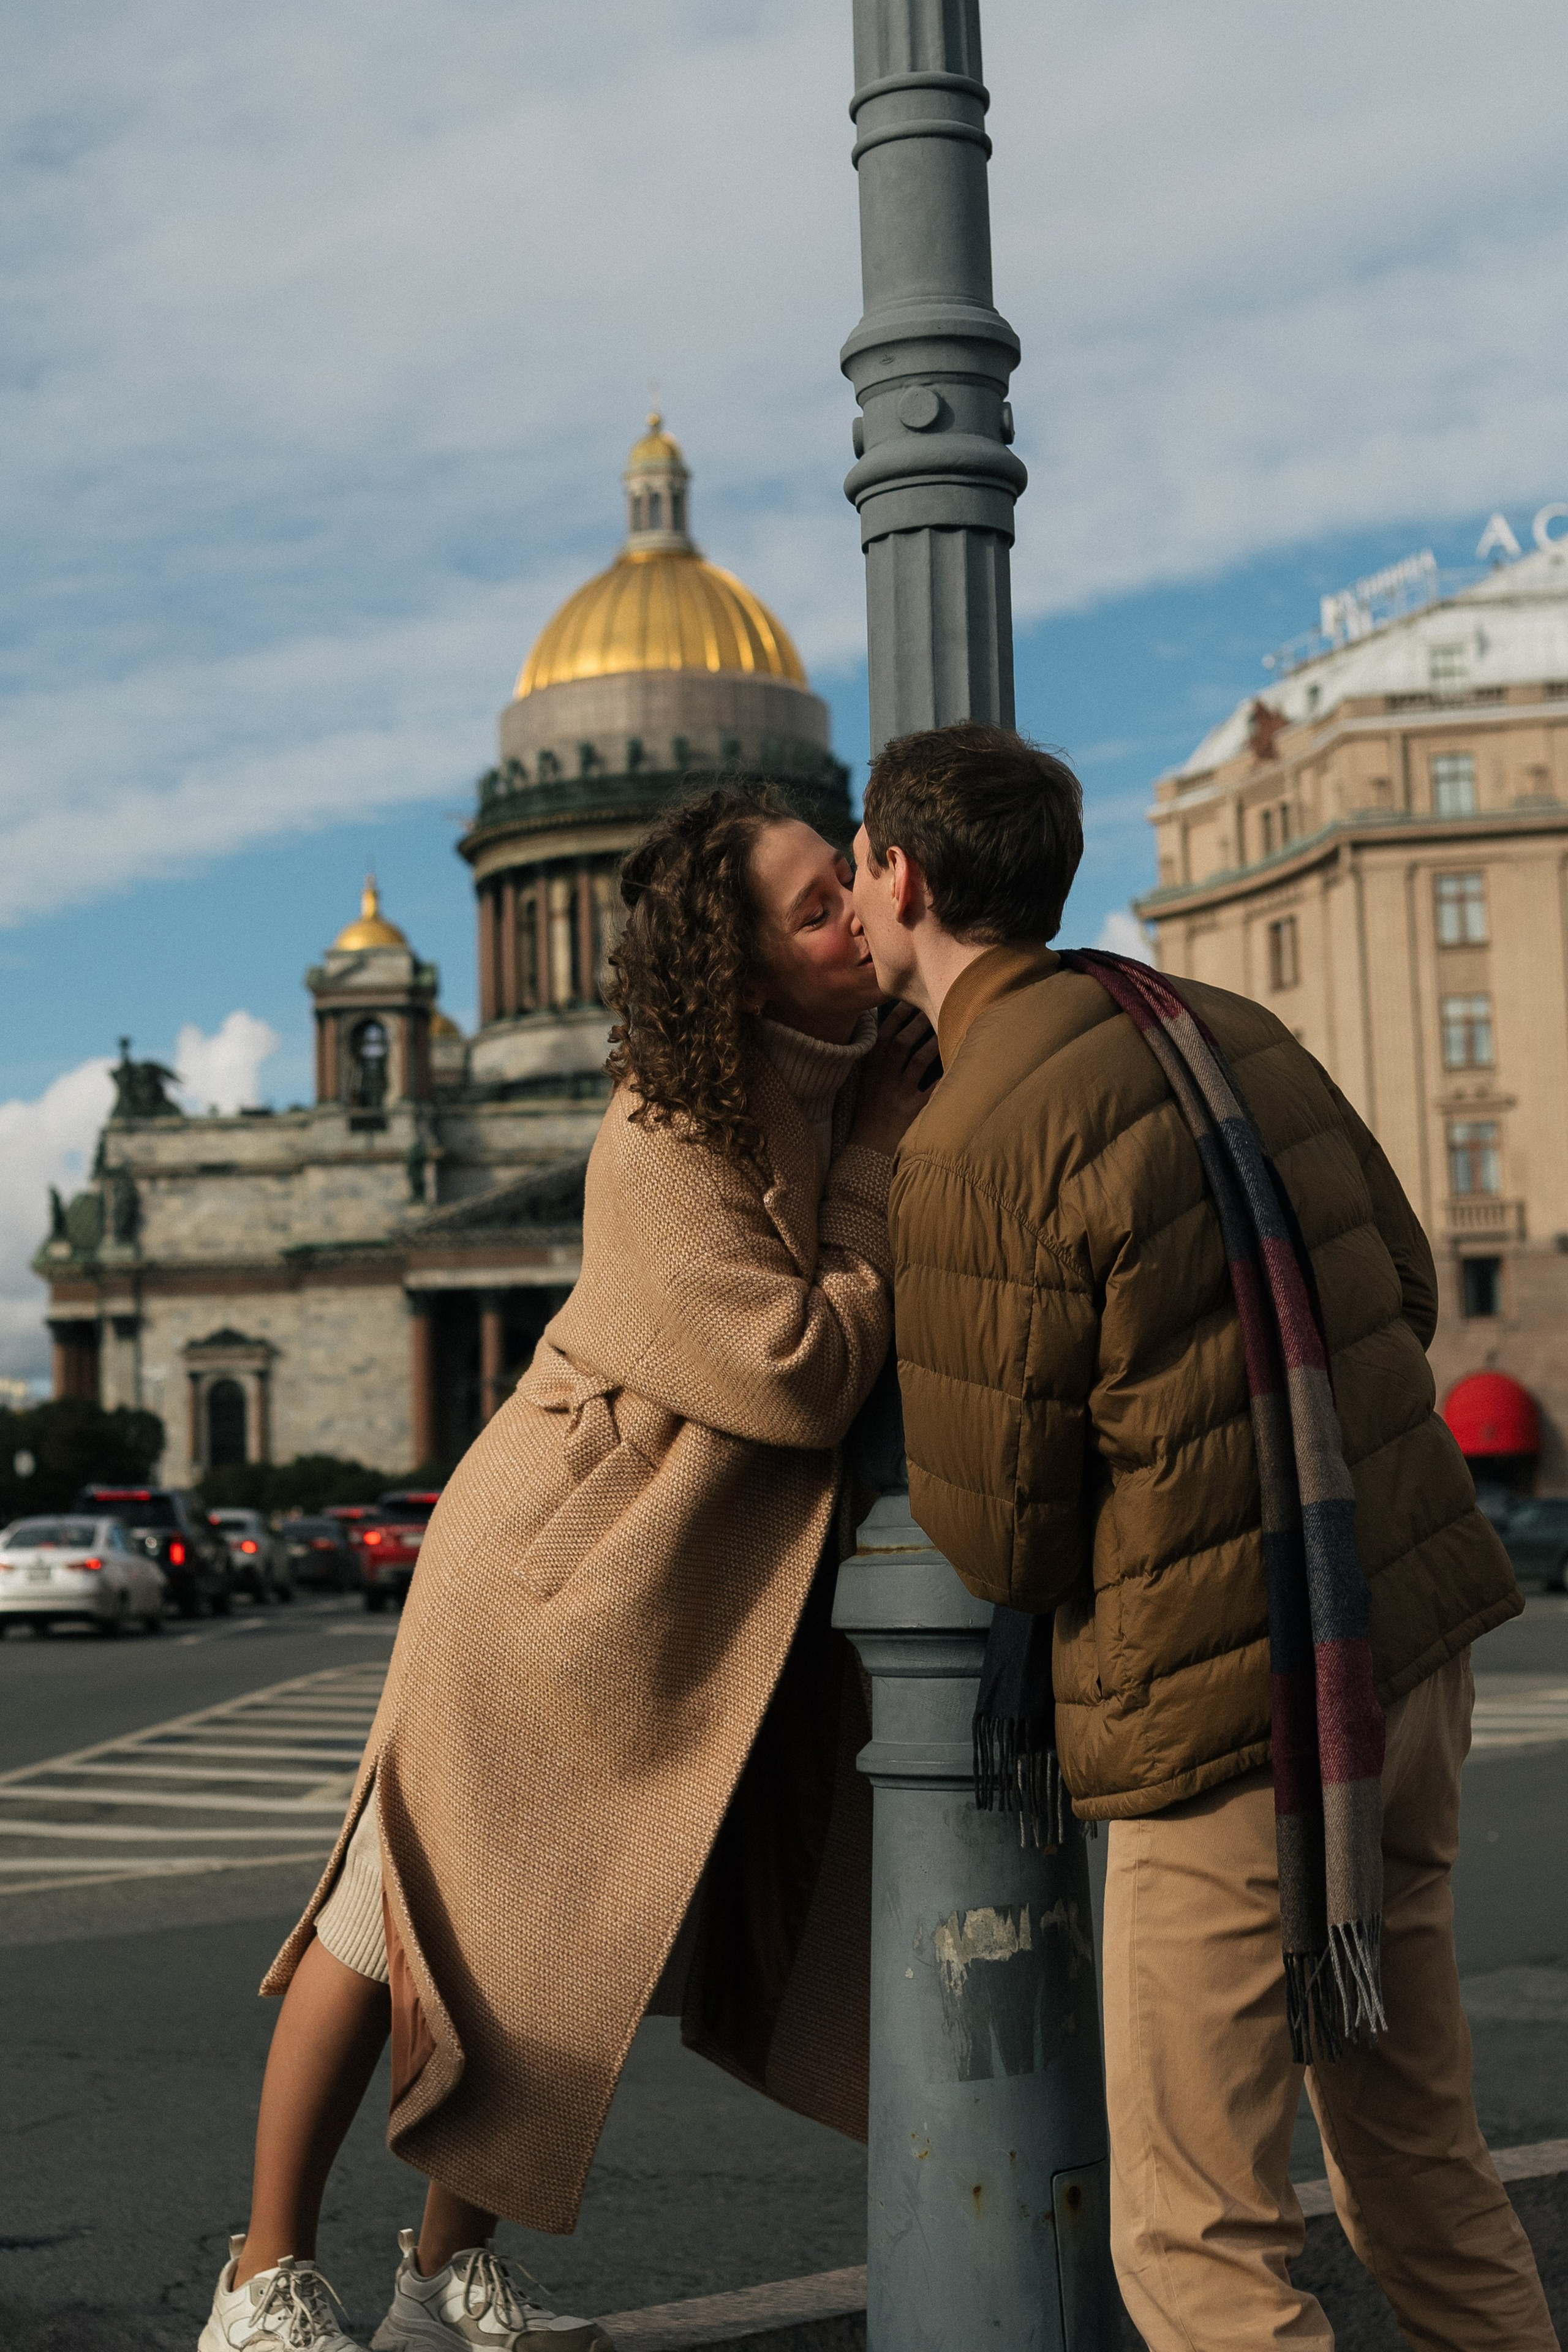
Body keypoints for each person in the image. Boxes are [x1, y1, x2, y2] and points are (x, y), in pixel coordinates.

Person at [850, 720, 1558, 2352]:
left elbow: (1003, 1534)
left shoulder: (969, 1140)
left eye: (864, 867)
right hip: (1406, 1641)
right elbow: (1401, 1288)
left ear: (907, 875)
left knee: (1200, 2238)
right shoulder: (1223, 1022)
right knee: (1416, 2156)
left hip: (1219, 1716)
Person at [200, 785, 936, 2352]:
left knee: (564, 1937)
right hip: (548, 1573)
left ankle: (441, 2274)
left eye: (852, 885)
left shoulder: (855, 1069)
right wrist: (878, 1171)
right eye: (817, 906)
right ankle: (263, 2278)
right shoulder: (665, 1127)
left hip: (674, 1589)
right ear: (735, 967)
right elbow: (798, 1369)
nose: (860, 917)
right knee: (390, 1913)